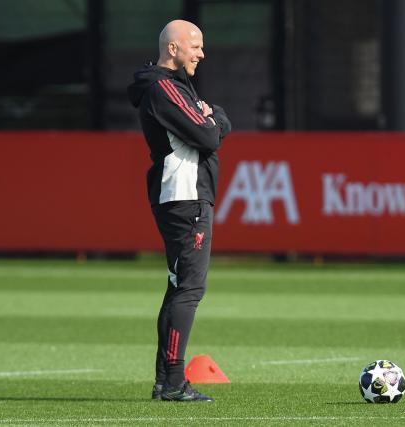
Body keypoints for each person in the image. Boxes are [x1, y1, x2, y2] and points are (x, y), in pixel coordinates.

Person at [127, 20, 231, 402]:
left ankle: (166, 381)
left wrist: (214, 117)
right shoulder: (163, 87)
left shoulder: (171, 87)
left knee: (179, 288)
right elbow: (208, 135)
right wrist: (214, 119)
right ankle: (171, 382)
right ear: (173, 48)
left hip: (183, 194)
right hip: (185, 195)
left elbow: (216, 121)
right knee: (188, 288)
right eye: (195, 46)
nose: (201, 54)